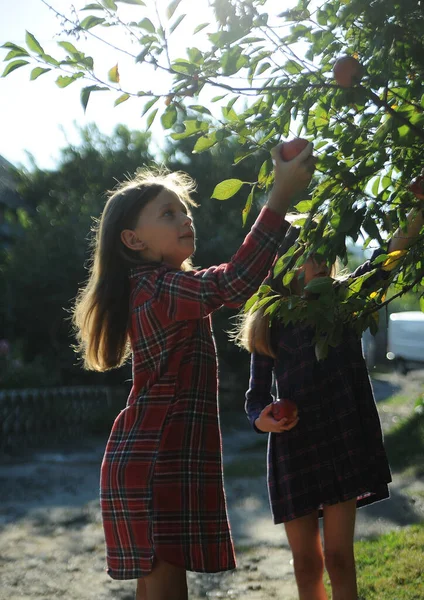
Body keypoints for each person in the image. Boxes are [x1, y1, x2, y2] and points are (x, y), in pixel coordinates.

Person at [71, 144, 316, 600]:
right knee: (166, 588)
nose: (185, 218)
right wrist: (279, 198)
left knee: (162, 587)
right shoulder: (159, 288)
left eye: (185, 210)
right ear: (133, 240)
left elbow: (234, 281)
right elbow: (233, 282)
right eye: (168, 213)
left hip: (158, 454)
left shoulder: (161, 287)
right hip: (158, 460)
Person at [237, 206, 424, 600]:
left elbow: (385, 262)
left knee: (339, 557)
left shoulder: (343, 303)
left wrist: (418, 209)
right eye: (309, 255)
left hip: (342, 440)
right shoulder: (270, 319)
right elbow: (255, 400)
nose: (321, 263)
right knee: (307, 562)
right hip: (295, 450)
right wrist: (264, 420)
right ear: (285, 264)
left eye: (325, 254)